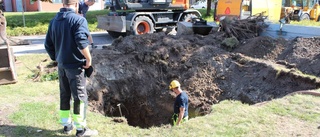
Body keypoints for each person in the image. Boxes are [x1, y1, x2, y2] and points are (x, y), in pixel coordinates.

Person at [44, 0, 98, 136]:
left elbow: (48, 45)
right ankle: (81, 130)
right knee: (79, 97)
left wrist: (56, 58)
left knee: (64, 94)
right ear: (76, 5)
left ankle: (67, 126)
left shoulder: (53, 21)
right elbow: (81, 41)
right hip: (75, 66)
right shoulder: (78, 20)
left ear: (63, 4)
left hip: (62, 66)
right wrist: (89, 59)